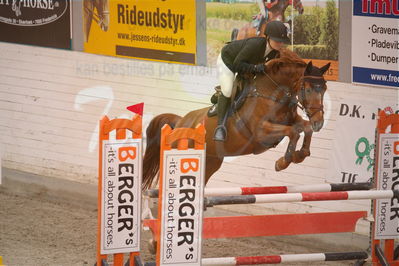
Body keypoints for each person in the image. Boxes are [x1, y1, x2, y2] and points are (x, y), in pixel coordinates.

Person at [214, 20, 290, 142]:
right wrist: (255, 68)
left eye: (282, 41)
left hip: (244, 64)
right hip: (228, 60)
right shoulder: (256, 44)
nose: (280, 43)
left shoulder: (275, 52)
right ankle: (220, 127)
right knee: (228, 90)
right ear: (268, 37)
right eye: (277, 40)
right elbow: (237, 64)